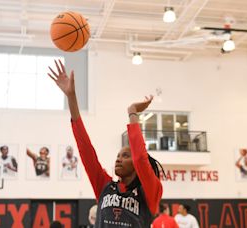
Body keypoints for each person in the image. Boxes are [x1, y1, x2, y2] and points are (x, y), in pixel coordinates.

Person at [47, 60, 163, 227]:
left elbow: (140, 158)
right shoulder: (105, 186)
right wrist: (71, 97)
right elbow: (85, 149)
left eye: (125, 156)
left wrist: (132, 112)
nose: (118, 159)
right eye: (118, 156)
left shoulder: (149, 191)